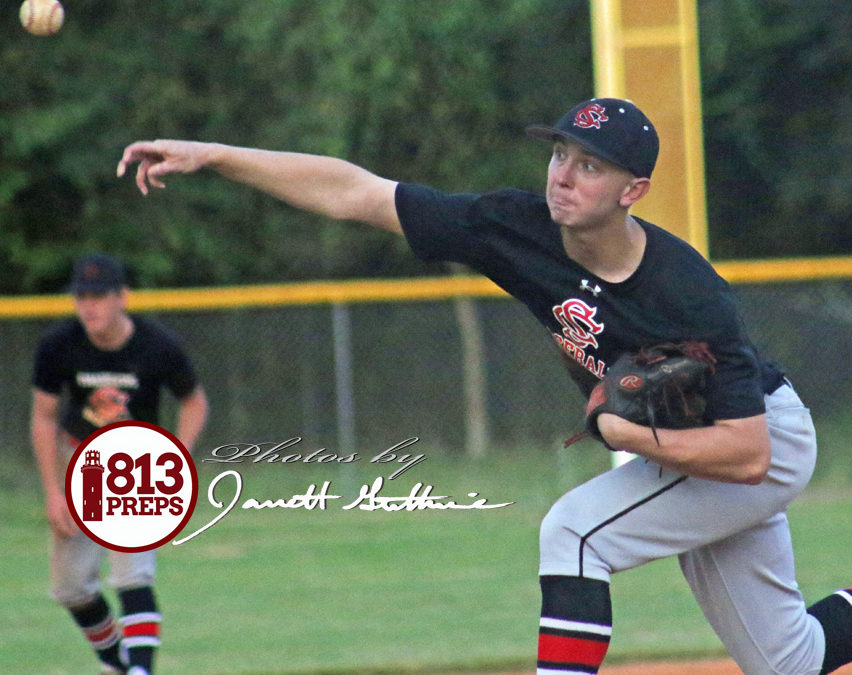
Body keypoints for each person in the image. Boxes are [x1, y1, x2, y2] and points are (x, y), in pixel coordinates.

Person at [116, 97, 851, 675]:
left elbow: (751, 455)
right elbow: (358, 194)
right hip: (682, 447)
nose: (562, 174)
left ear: (635, 189)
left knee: (574, 532)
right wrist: (214, 155)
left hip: (757, 439)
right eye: (560, 152)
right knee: (788, 660)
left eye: (589, 164)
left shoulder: (688, 293)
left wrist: (622, 434)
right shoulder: (513, 226)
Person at [31, 253, 208, 675]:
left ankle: (140, 671)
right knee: (71, 588)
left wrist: (176, 459)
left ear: (122, 297)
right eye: (82, 296)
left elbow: (194, 402)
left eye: (99, 295)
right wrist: (54, 492)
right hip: (81, 467)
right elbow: (43, 417)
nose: (88, 305)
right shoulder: (59, 344)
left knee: (133, 577)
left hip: (138, 469)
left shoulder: (156, 344)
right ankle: (118, 663)